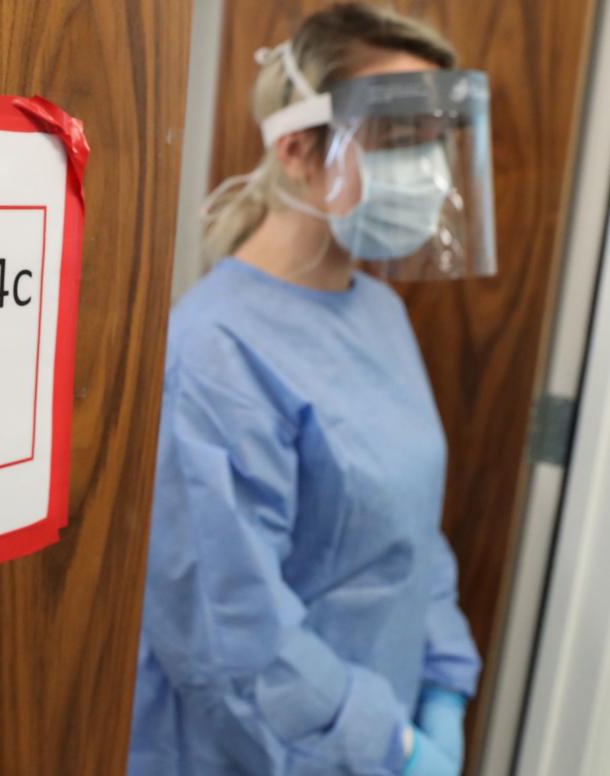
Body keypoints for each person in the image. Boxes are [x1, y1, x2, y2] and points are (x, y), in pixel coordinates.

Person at [130, 4, 496, 775]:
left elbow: (409, 532)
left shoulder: (381, 314)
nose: (427, 166)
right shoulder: (214, 354)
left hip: (377, 727)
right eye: (399, 134)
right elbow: (231, 637)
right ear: (297, 148)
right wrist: (386, 747)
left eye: (437, 135)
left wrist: (443, 686)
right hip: (260, 751)